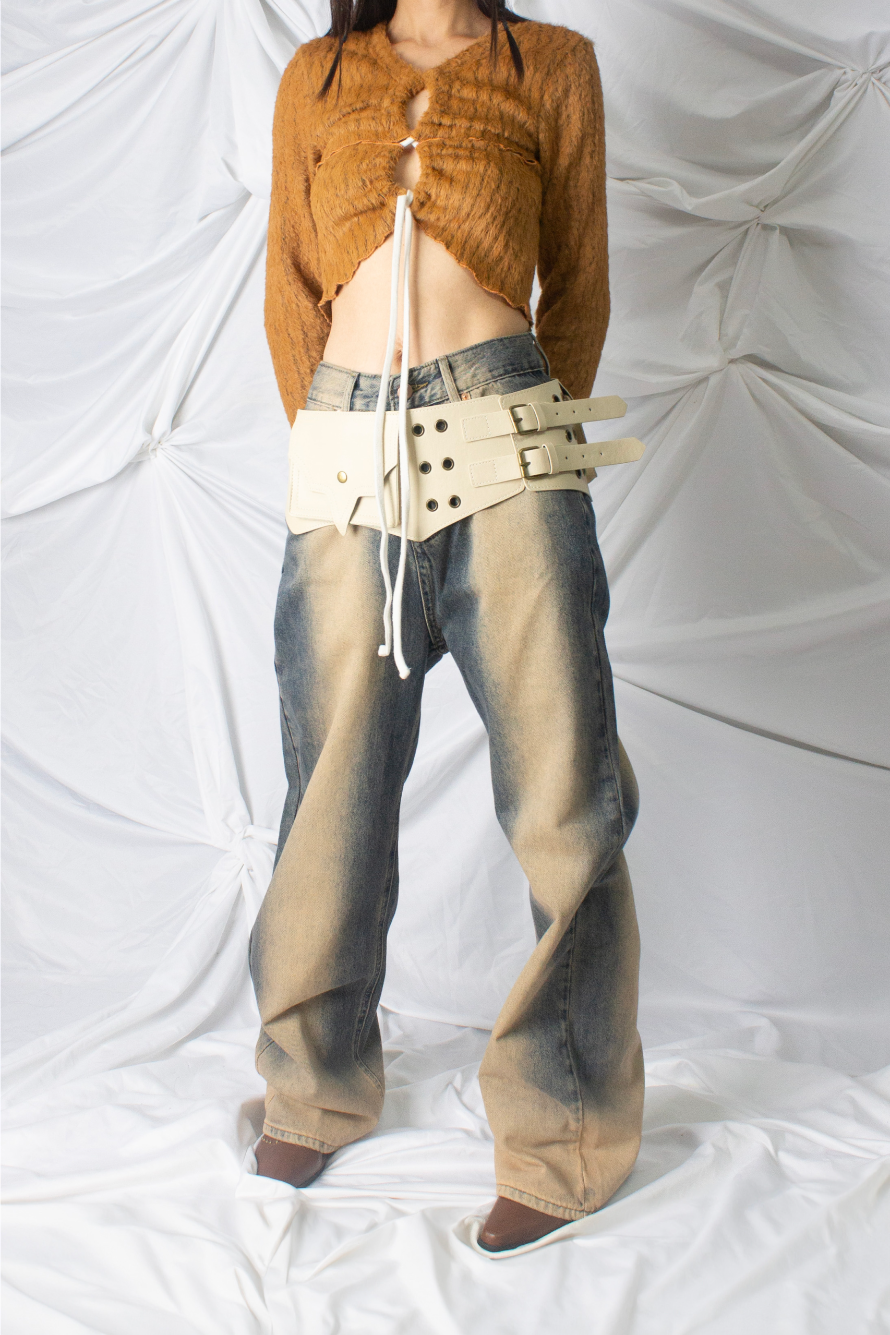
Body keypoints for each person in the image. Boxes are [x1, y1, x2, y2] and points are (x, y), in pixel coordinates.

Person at [251, 0, 644, 1254]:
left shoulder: (553, 65)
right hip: (347, 443)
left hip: (507, 435)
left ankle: (562, 1129)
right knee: (331, 786)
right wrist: (334, 438)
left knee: (563, 789)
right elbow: (289, 285)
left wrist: (528, 441)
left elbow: (576, 284)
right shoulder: (318, 75)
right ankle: (313, 1082)